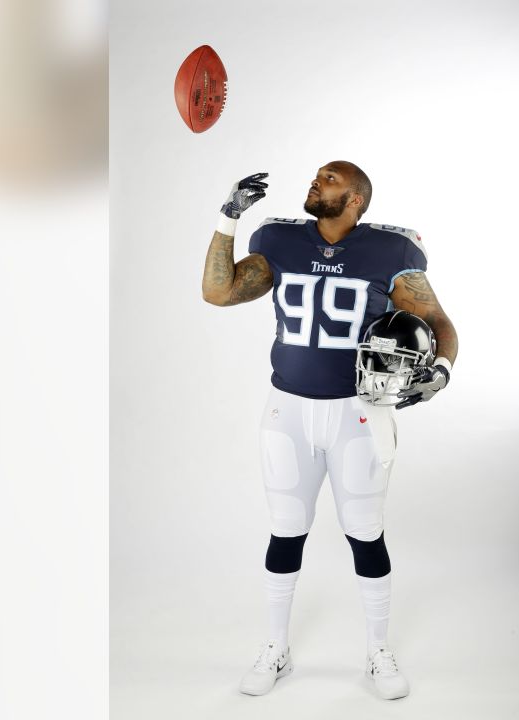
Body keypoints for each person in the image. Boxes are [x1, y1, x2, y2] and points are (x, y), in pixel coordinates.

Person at [202, 162, 458, 700]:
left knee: (365, 532)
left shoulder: (391, 254)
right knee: (286, 529)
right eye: (318, 175)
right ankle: (276, 647)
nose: (317, 181)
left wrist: (441, 370)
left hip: (358, 413)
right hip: (287, 410)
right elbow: (218, 292)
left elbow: (439, 324)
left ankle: (377, 650)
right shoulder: (279, 239)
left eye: (331, 180)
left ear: (357, 200)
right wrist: (228, 220)